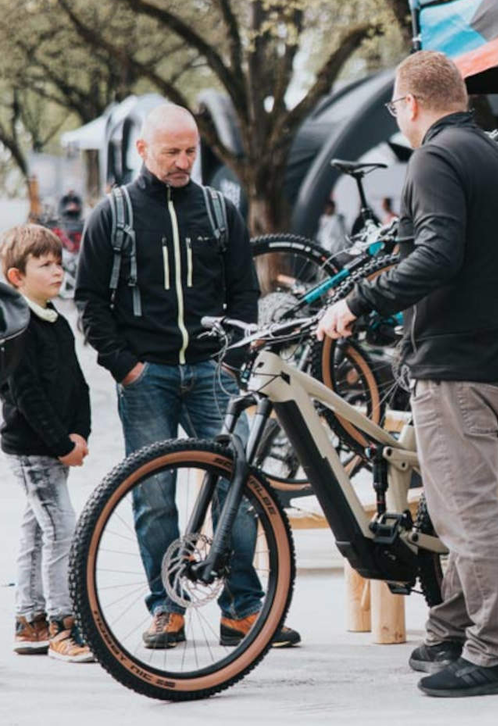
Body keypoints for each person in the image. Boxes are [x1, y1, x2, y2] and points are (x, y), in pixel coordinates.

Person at [317, 50, 498, 698]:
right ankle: (452, 627)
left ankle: (496, 654)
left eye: (396, 109)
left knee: (465, 512)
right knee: (464, 503)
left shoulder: (433, 159)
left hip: (459, 362)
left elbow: (439, 253)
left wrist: (359, 302)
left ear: (409, 105)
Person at [75, 103, 301, 650]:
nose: (182, 161)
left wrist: (231, 360)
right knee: (154, 498)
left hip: (213, 372)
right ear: (143, 150)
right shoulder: (114, 214)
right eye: (172, 151)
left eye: (191, 151)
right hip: (144, 377)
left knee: (238, 492)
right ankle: (167, 609)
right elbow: (89, 304)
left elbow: (245, 293)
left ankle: (242, 610)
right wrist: (125, 366)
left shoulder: (221, 211)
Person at [0, 224, 93, 662]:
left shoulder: (55, 321)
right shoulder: (17, 326)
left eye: (59, 262)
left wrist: (81, 433)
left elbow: (77, 383)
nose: (57, 271)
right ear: (16, 276)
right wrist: (60, 443)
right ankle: (63, 625)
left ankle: (30, 621)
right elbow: (26, 395)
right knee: (63, 530)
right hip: (33, 448)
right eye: (45, 265)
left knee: (37, 530)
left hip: (55, 446)